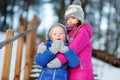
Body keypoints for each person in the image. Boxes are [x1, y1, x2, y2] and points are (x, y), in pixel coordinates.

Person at [52, 0, 94, 80]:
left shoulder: (83, 31)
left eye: (73, 18)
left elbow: (74, 47)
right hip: (71, 69)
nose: (70, 20)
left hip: (82, 70)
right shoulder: (67, 32)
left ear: (79, 19)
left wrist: (60, 59)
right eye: (68, 19)